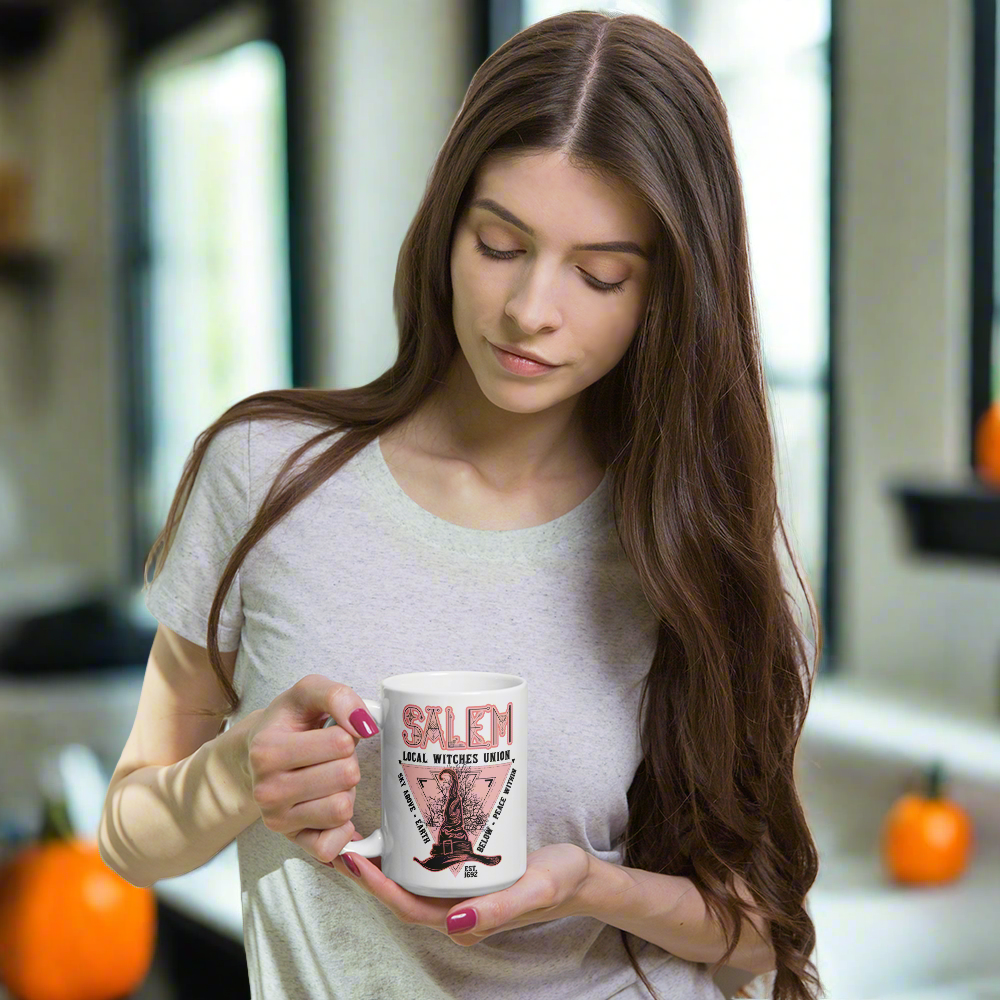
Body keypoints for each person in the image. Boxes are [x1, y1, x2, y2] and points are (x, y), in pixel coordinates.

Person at [97, 10, 822, 1000]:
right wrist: (236, 773)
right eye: (498, 243)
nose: (531, 307)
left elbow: (760, 933)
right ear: (447, 226)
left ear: (665, 296)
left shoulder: (685, 537)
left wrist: (588, 884)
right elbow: (130, 835)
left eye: (600, 272)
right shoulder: (265, 475)